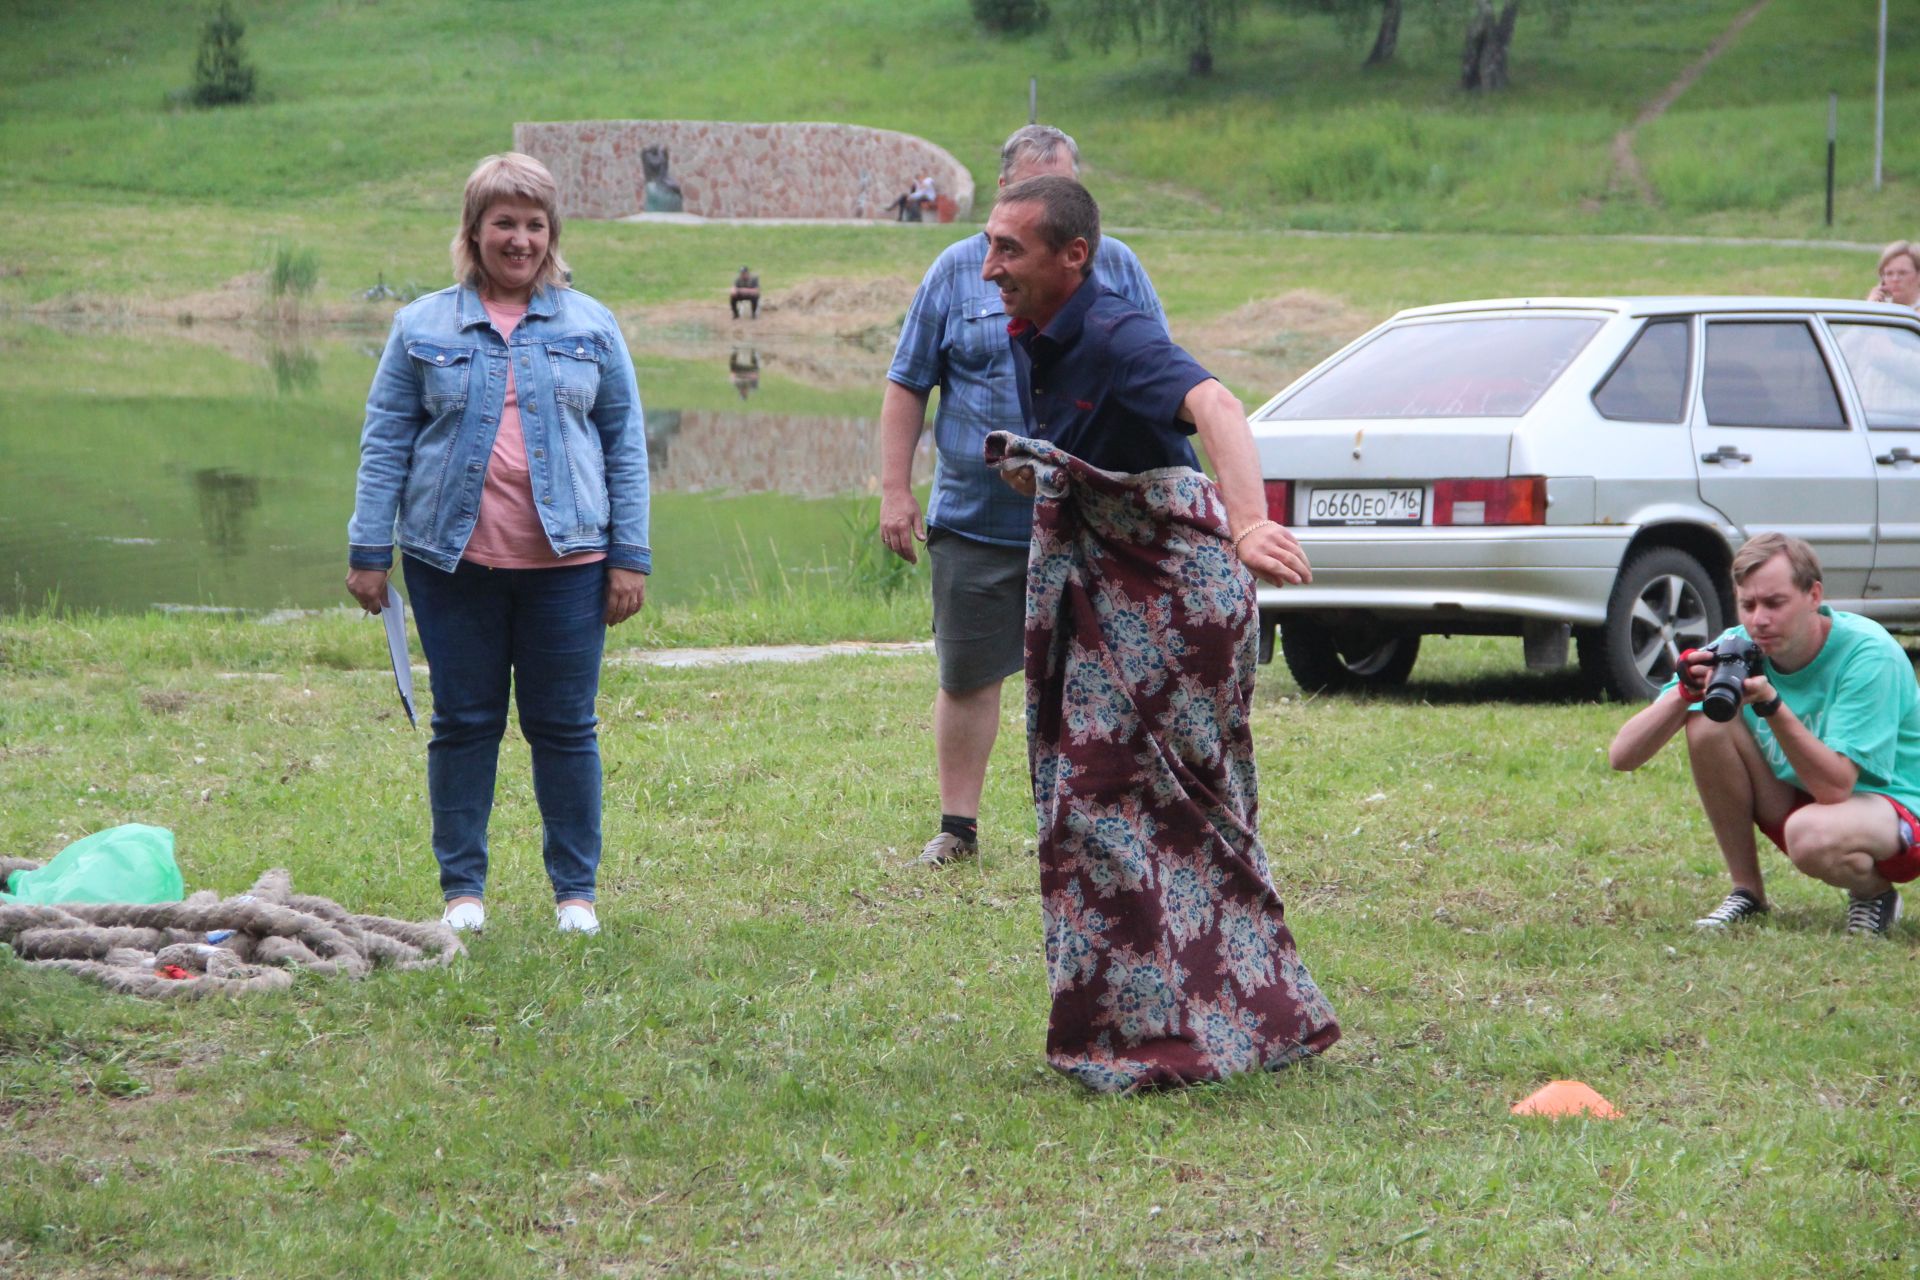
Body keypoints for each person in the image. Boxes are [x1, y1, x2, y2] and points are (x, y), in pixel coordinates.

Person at [980, 174, 1340, 1091]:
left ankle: (1159, 1041)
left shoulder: (1116, 332)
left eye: (1008, 250)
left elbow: (1216, 407)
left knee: (1120, 813)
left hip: (1178, 613)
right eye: (990, 246)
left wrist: (1250, 521)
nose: (989, 268)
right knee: (1129, 815)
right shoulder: (1039, 337)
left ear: (1073, 257)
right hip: (1118, 608)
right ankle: (1216, 1024)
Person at [345, 152, 651, 936]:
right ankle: (463, 894)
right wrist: (369, 548)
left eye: (534, 224)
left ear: (552, 236)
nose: (519, 239)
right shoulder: (421, 325)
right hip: (452, 568)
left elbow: (625, 445)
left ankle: (574, 895)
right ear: (474, 231)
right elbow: (385, 443)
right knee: (464, 723)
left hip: (569, 570)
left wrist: (630, 557)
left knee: (565, 728)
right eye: (503, 223)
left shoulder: (593, 325)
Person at [879, 125, 1168, 869]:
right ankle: (958, 829)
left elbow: (1160, 382)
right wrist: (894, 491)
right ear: (1003, 191)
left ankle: (1089, 827)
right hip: (978, 522)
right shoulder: (954, 271)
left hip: (1087, 521)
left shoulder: (1120, 269)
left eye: (1065, 191)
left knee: (1095, 681)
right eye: (1031, 190)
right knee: (968, 673)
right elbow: (908, 381)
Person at [1608, 533, 1920, 936]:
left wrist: (1771, 704)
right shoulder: (1738, 648)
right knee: (1706, 724)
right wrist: (1684, 694)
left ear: (1813, 595)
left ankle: (1874, 893)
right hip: (1814, 804)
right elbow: (1622, 756)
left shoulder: (1867, 654)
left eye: (1775, 603)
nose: (1759, 620)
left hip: (1898, 809)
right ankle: (1747, 894)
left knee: (1808, 834)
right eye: (1748, 604)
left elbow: (1836, 788)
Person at [1866, 240, 1920, 308]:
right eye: (1889, 274)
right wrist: (1869, 307)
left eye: (1902, 273)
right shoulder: (1881, 308)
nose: (1895, 279)